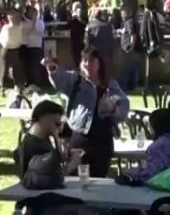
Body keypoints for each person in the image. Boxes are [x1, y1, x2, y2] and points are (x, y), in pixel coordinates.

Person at [48, 46, 128, 177]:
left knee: (97, 181)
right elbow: (59, 78)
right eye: (84, 60)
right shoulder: (75, 81)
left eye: (91, 61)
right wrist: (52, 68)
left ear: (99, 64)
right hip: (79, 140)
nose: (87, 64)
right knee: (74, 179)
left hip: (102, 143)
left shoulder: (110, 85)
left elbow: (124, 108)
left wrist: (113, 109)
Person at [14, 100, 84, 178]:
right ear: (43, 120)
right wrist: (72, 165)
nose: (60, 129)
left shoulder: (36, 140)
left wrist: (67, 154)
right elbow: (50, 179)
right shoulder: (36, 147)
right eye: (57, 124)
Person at [0, 9, 28, 88]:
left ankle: (15, 85)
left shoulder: (18, 26)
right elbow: (0, 38)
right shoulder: (8, 27)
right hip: (9, 49)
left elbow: (0, 38)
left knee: (14, 68)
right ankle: (9, 85)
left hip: (12, 49)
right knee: (8, 68)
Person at [68, 2, 86, 69]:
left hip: (75, 41)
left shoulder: (73, 19)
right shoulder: (81, 20)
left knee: (77, 58)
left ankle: (79, 69)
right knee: (80, 58)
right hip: (80, 40)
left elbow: (67, 26)